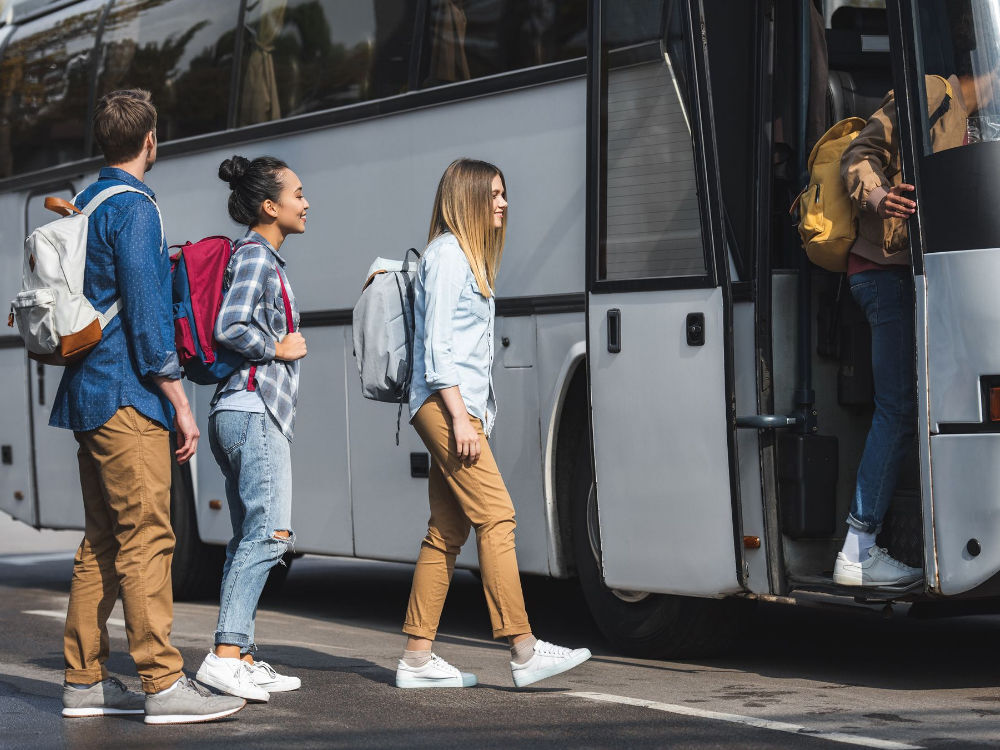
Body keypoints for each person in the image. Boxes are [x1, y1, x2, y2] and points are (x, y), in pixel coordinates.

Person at [52, 89, 245, 724]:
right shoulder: (134, 209)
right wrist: (179, 401)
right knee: (147, 536)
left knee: (103, 539)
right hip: (127, 396)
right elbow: (147, 318)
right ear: (151, 141)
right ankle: (162, 683)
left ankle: (83, 681)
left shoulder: (84, 201)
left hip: (86, 394)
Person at [396, 158, 591, 689]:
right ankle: (524, 650)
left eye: (505, 193)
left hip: (453, 406)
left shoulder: (462, 258)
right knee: (498, 515)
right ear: (469, 199)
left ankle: (416, 658)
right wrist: (461, 418)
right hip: (443, 406)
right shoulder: (448, 258)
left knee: (447, 530)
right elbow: (437, 352)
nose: (504, 203)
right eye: (496, 194)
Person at [834, 37, 996, 586]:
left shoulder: (985, 128)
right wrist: (881, 199)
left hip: (936, 274)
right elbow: (860, 156)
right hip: (885, 273)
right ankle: (857, 547)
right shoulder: (927, 94)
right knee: (900, 408)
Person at [194, 155, 308, 702]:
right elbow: (230, 324)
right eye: (297, 194)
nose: (306, 203)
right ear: (270, 206)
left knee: (248, 538)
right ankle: (225, 656)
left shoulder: (262, 258)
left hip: (244, 410)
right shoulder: (258, 258)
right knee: (270, 534)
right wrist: (278, 346)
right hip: (251, 409)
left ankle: (241, 654)